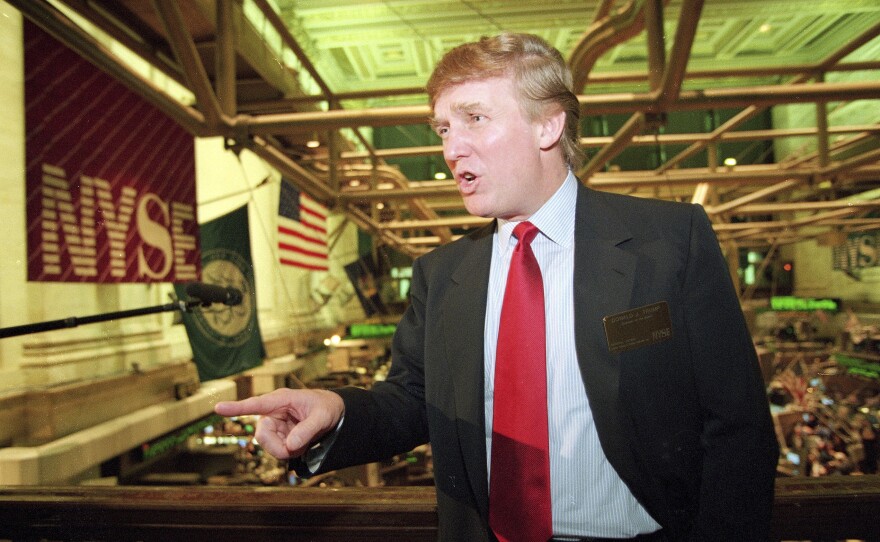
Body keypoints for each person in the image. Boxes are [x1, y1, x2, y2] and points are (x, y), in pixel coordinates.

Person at [215, 32, 779, 541]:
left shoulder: (668, 242)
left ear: (548, 125)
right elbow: (413, 400)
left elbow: (737, 424)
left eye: (474, 119)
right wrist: (336, 410)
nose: (450, 148)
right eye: (443, 127)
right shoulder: (441, 275)